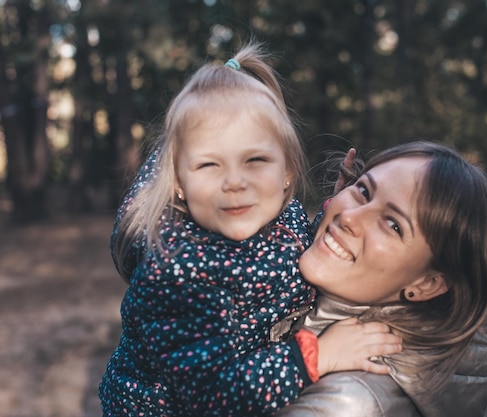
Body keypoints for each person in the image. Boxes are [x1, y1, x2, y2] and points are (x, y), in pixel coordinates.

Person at [98, 42, 402, 417]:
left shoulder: (284, 218)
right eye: (210, 165)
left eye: (255, 160)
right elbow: (213, 395)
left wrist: (335, 214)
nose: (235, 183)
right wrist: (317, 355)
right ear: (179, 182)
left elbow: (292, 253)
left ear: (287, 173)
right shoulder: (176, 272)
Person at [273, 141, 487, 417]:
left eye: (393, 225)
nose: (348, 217)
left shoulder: (347, 403)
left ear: (426, 284)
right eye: (363, 191)